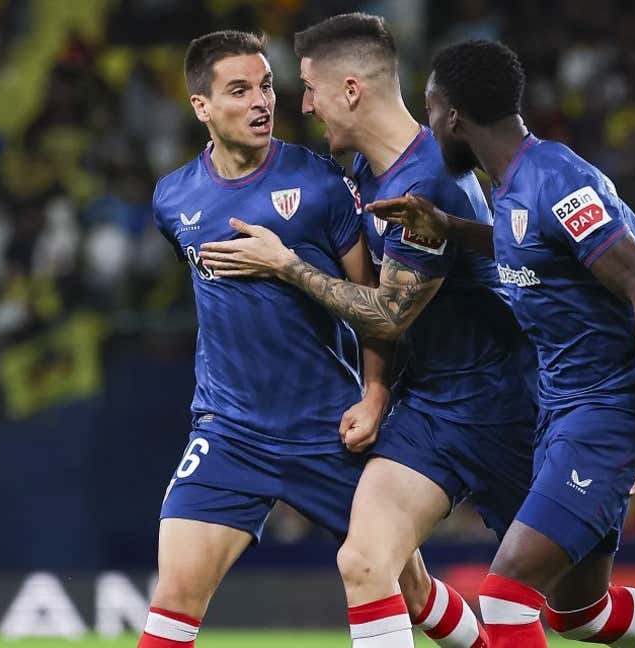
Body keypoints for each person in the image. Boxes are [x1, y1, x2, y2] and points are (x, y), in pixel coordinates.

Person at [366, 40, 635, 648]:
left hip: (606, 415)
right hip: (562, 410)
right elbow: (531, 250)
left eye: (429, 111)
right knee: (578, 613)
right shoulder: (514, 186)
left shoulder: (558, 181)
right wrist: (452, 229)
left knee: (506, 598)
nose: (428, 129)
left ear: (454, 115)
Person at [198, 14, 535, 648]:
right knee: (363, 562)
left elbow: (391, 312)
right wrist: (378, 393)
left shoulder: (430, 178)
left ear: (350, 90)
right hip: (431, 408)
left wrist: (286, 265)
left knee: (579, 608)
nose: (303, 105)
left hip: (502, 406)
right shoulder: (368, 179)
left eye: (310, 89)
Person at [138, 29, 430, 648]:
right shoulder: (173, 199)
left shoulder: (320, 183)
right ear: (201, 107)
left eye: (266, 85)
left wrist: (376, 396)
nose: (261, 101)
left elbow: (377, 308)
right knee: (172, 599)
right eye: (239, 90)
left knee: (413, 592)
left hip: (327, 428)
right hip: (229, 432)